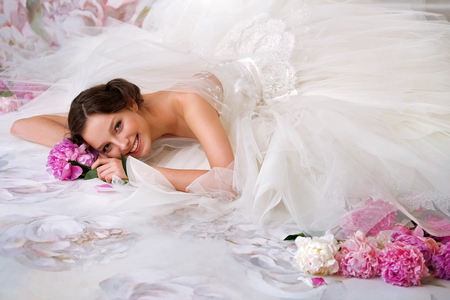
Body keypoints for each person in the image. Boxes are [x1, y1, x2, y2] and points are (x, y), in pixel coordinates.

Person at [10, 77, 234, 192]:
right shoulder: (98, 124)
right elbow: (21, 125)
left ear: (131, 104)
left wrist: (134, 171)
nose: (123, 144)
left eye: (117, 126)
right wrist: (87, 150)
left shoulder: (189, 102)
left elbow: (230, 183)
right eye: (107, 146)